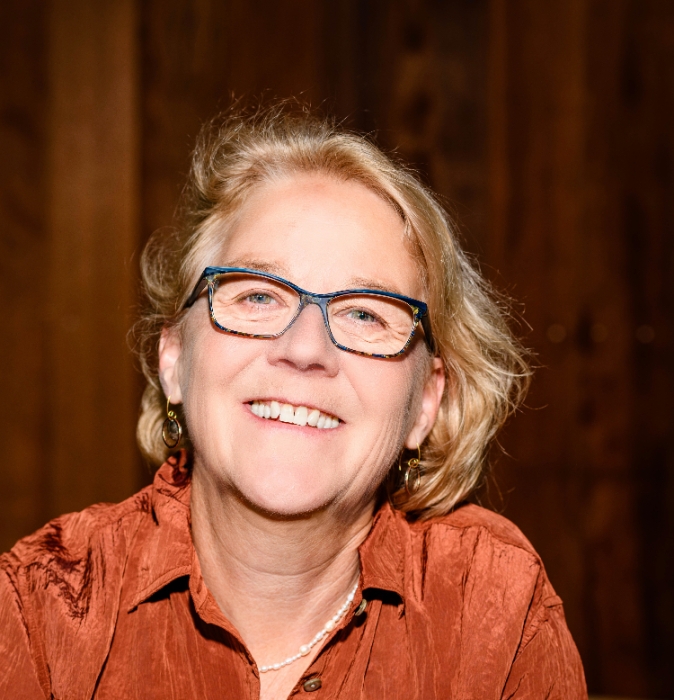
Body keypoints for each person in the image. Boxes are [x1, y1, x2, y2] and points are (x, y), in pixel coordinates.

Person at [0, 106, 587, 699]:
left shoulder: (495, 613)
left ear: (425, 403)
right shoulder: (37, 613)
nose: (305, 349)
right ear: (174, 358)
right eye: (258, 296)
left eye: (365, 314)